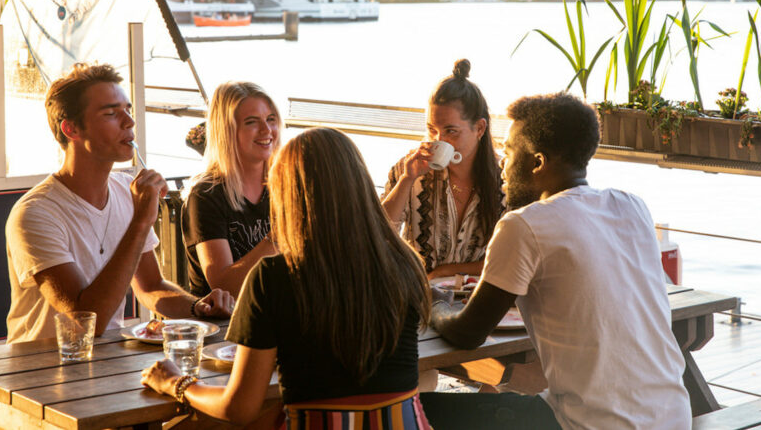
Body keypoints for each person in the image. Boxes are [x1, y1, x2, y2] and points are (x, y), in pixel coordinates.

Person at [422, 92, 690, 429]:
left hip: (589, 425)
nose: (503, 166)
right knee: (500, 399)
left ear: (536, 163)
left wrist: (434, 304)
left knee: (420, 409)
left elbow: (468, 333)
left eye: (508, 152)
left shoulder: (524, 224)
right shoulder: (631, 205)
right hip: (672, 417)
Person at [142, 128, 433, 429]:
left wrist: (178, 382)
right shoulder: (405, 264)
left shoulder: (273, 278)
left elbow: (239, 408)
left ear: (288, 197)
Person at [5, 63, 234, 344]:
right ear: (71, 128)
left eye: (127, 110)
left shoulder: (126, 192)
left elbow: (150, 286)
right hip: (39, 371)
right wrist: (141, 222)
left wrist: (195, 307)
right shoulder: (36, 213)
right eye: (112, 113)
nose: (129, 121)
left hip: (107, 362)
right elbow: (87, 320)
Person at [382, 59, 504, 279]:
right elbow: (380, 235)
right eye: (432, 130)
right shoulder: (408, 169)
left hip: (475, 296)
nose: (439, 140)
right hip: (419, 291)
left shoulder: (506, 178)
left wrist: (445, 271)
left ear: (479, 128)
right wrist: (406, 181)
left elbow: (510, 258)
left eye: (451, 131)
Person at [181, 82, 279, 298]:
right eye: (251, 122)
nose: (266, 130)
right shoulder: (206, 194)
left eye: (271, 119)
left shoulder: (285, 184)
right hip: (224, 324)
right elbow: (224, 287)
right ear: (226, 131)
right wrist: (279, 236)